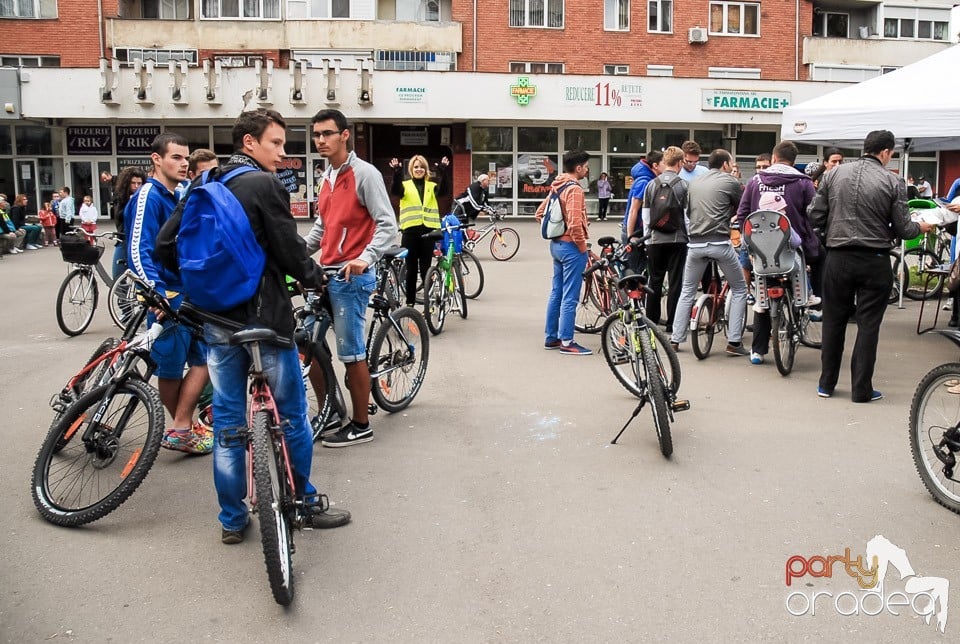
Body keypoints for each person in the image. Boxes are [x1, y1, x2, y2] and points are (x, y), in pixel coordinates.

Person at [157, 108, 351, 542]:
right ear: (249, 142)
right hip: (265, 321)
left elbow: (164, 245)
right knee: (293, 416)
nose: (283, 154)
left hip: (216, 322)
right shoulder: (264, 185)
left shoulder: (201, 185)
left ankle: (231, 519)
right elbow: (289, 250)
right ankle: (300, 502)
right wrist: (315, 278)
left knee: (228, 422)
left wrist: (196, 289)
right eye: (276, 143)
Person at [809, 130, 934, 402]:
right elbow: (904, 228)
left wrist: (830, 233)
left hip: (838, 257)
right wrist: (921, 227)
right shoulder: (893, 181)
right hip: (875, 259)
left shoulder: (832, 175)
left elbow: (815, 215)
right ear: (886, 152)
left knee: (833, 320)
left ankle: (826, 384)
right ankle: (861, 389)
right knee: (868, 325)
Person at [303, 108, 398, 447]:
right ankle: (330, 410)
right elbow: (322, 227)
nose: (320, 140)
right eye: (316, 135)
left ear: (345, 135)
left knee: (351, 352)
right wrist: (296, 253)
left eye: (327, 133)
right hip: (325, 275)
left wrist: (365, 257)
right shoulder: (326, 176)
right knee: (308, 344)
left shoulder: (364, 174)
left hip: (351, 277)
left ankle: (361, 424)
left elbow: (388, 224)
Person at [126, 133, 213, 454]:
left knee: (203, 360)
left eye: (186, 158)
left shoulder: (174, 194)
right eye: (176, 157)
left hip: (185, 297)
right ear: (156, 159)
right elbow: (139, 249)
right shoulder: (149, 195)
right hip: (165, 298)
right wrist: (156, 293)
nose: (183, 163)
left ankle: (182, 424)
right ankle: (180, 428)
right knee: (173, 369)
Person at [737, 140, 821, 365]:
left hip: (761, 251)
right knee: (798, 285)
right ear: (794, 161)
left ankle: (757, 350)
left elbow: (743, 213)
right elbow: (814, 215)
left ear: (773, 158)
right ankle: (802, 308)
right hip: (792, 251)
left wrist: (749, 244)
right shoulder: (803, 183)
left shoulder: (755, 181)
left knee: (762, 297)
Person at [669, 149, 749, 356]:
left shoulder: (694, 182)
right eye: (731, 162)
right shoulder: (730, 181)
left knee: (687, 292)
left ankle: (676, 339)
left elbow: (688, 211)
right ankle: (734, 341)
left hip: (694, 245)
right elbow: (742, 207)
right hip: (720, 243)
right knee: (740, 289)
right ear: (725, 164)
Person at [536, 149, 592, 355]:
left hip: (556, 246)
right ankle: (567, 341)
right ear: (578, 168)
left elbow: (539, 213)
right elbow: (576, 224)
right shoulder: (575, 190)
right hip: (571, 248)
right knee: (570, 296)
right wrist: (581, 246)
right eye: (586, 167)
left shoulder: (557, 186)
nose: (587, 170)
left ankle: (551, 337)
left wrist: (558, 229)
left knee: (556, 292)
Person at [390, 154, 449, 307]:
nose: (419, 169)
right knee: (410, 270)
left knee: (425, 269)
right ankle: (410, 304)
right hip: (410, 232)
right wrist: (396, 172)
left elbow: (443, 192)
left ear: (426, 170)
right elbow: (395, 191)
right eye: (416, 167)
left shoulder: (431, 185)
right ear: (411, 169)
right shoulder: (405, 185)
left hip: (427, 232)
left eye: (422, 167)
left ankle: (428, 304)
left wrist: (443, 172)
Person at [642, 146, 688, 332]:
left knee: (654, 280)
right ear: (679, 163)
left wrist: (648, 238)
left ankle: (651, 321)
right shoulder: (683, 185)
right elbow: (687, 216)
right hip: (677, 239)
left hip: (655, 240)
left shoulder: (651, 184)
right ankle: (672, 324)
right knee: (676, 281)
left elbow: (646, 216)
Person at [622, 150, 663, 272]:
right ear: (655, 165)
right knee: (635, 271)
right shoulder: (644, 182)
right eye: (664, 163)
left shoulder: (649, 179)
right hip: (635, 231)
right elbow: (633, 210)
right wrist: (630, 237)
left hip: (640, 230)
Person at [109, 166, 147, 279]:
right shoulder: (121, 196)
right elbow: (118, 216)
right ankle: (123, 296)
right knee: (117, 275)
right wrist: (129, 204)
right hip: (124, 239)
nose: (136, 187)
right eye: (133, 183)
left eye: (139, 183)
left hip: (140, 241)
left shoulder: (145, 196)